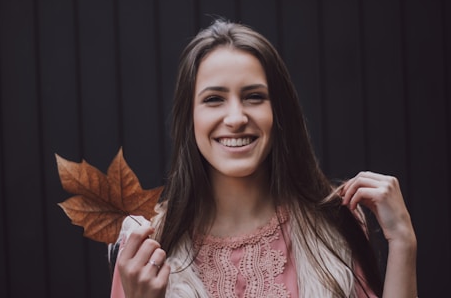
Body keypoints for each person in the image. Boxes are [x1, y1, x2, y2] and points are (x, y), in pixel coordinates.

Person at [108, 19, 417, 297]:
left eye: (254, 96)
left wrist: (403, 242)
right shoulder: (146, 250)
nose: (236, 117)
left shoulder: (335, 227)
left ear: (278, 112)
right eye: (214, 99)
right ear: (189, 119)